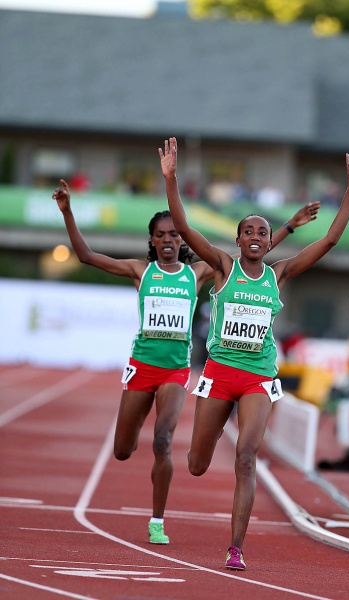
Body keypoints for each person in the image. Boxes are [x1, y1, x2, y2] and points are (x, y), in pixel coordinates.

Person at [52, 173, 320, 546]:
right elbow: (86, 256)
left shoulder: (198, 273)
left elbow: (252, 253)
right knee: (123, 450)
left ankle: (157, 520)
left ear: (181, 239)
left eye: (174, 235)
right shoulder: (140, 271)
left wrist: (289, 226)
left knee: (163, 438)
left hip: (177, 370)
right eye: (161, 235)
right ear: (152, 240)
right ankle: (146, 444)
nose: (169, 240)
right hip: (141, 366)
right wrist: (68, 211)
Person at [159, 136, 349, 570]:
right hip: (219, 374)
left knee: (247, 458)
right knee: (196, 464)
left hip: (258, 376)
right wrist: (171, 180)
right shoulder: (223, 267)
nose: (255, 237)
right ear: (238, 239)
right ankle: (209, 439)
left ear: (270, 243)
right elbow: (186, 227)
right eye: (248, 231)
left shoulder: (278, 275)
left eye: (262, 233)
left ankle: (235, 548)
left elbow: (328, 240)